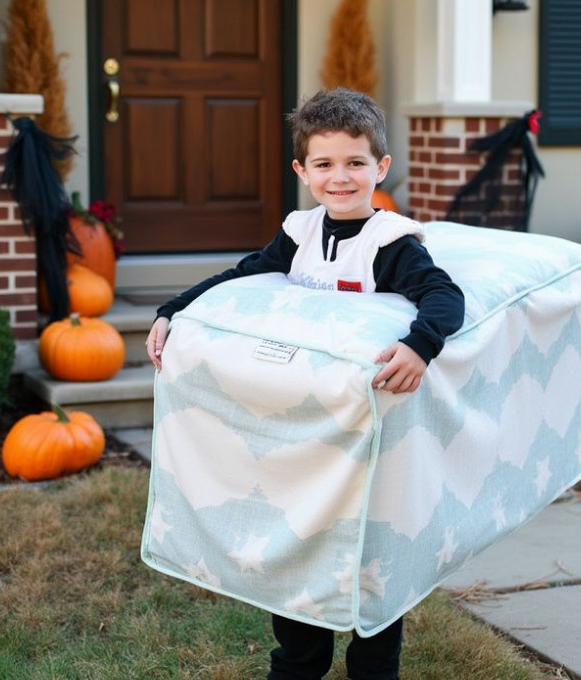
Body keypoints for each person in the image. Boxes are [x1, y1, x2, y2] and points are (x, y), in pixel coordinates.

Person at [145, 87, 465, 680]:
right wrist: (174, 309)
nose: (339, 178)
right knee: (303, 537)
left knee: (369, 553)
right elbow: (246, 274)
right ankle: (297, 664)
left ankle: (374, 667)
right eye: (324, 164)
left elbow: (445, 297)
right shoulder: (299, 233)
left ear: (381, 168)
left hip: (368, 431)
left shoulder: (390, 245)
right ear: (302, 171)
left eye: (355, 163)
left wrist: (421, 345)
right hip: (306, 428)